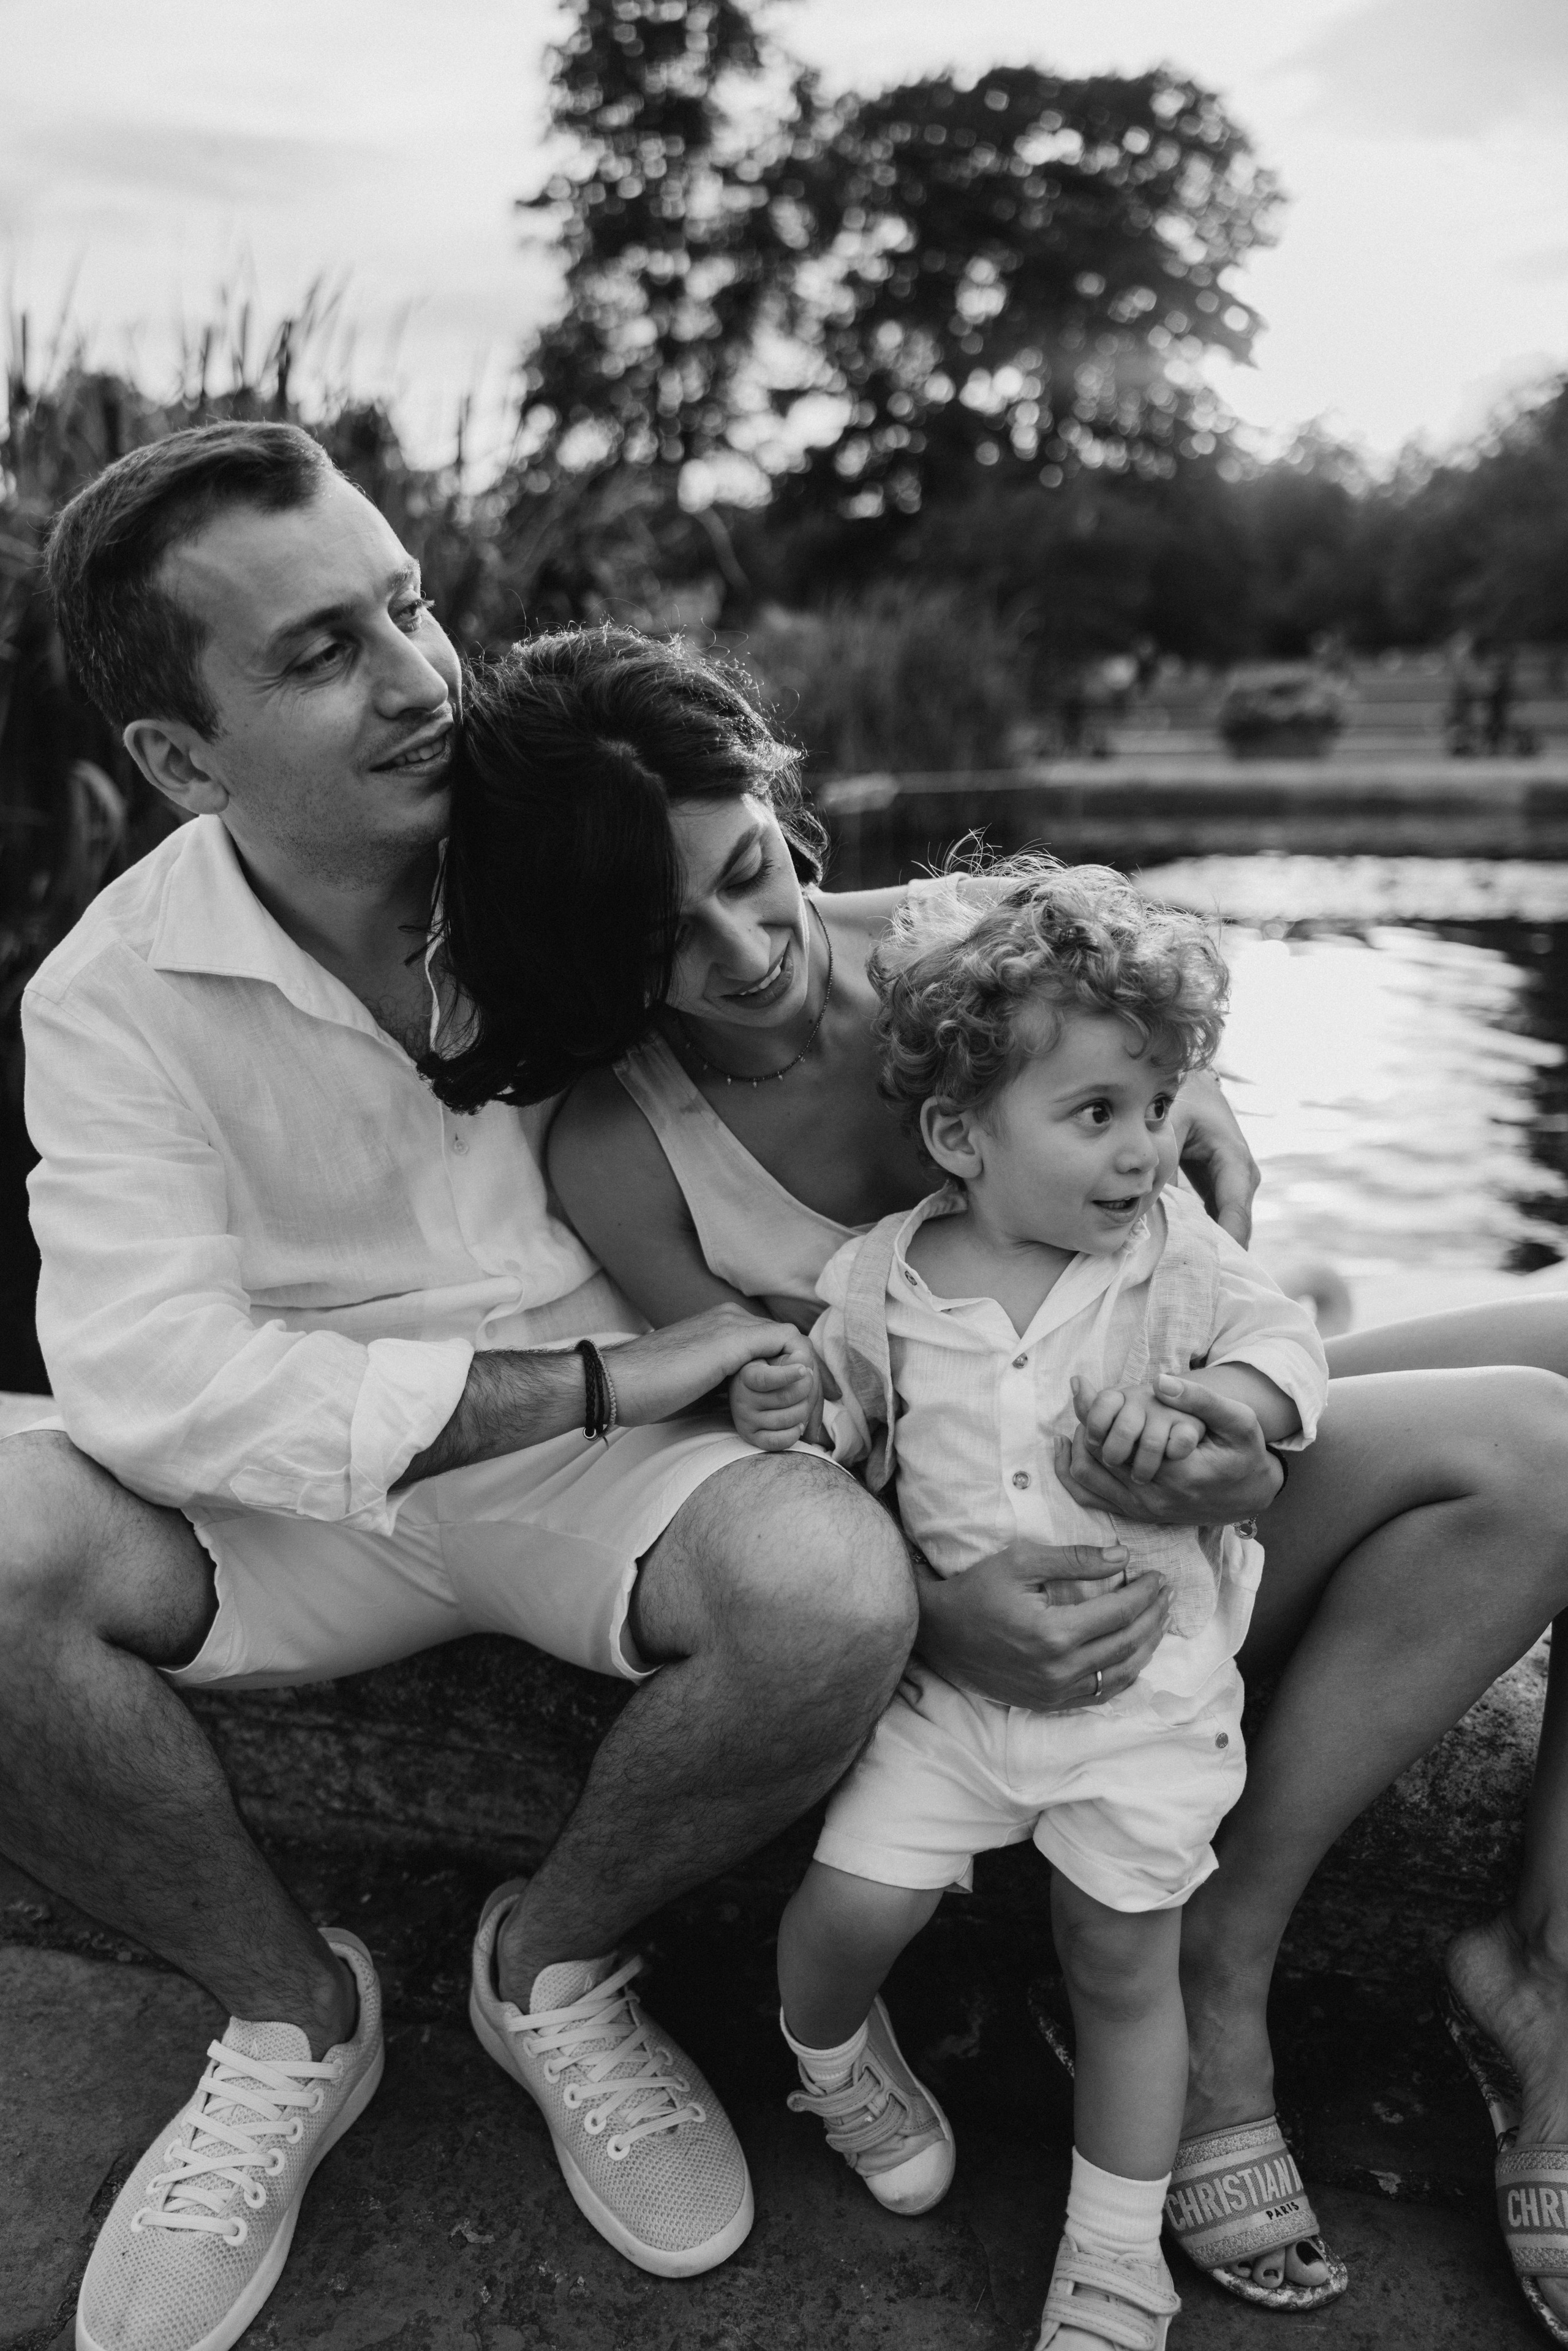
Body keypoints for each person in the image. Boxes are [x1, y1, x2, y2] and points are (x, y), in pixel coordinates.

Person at [435, 626, 1568, 2333]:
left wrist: (1224, 1435)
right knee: (1542, 1458)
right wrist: (933, 1612)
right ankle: (1227, 1978)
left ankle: (1483, 1962)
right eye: (664, 936)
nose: (745, 953)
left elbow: (1210, 1231)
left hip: (1172, 1461)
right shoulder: (622, 1142)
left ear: (776, 798)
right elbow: (783, 1434)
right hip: (980, 1550)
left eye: (747, 869)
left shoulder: (997, 942)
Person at [0, 419, 952, 2351]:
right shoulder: (109, 997)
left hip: (618, 1471)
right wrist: (602, 1369)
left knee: (834, 1596)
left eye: (408, 604)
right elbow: (148, 1378)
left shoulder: (557, 838)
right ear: (180, 760)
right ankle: (293, 2015)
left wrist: (1117, 1028)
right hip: (297, 1499)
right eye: (320, 651)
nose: (417, 674)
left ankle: (554, 1965)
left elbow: (811, 928)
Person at [750, 867, 1330, 2351]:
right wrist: (794, 1410)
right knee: (844, 1911)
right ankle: (834, 2062)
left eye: (1155, 1104)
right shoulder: (880, 1278)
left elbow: (1282, 1343)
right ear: (963, 1136)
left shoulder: (1171, 1256)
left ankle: (1113, 2257)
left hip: (1144, 1697)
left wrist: (1229, 1401)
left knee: (1122, 1962)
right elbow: (846, 1436)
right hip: (949, 1704)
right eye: (1095, 1113)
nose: (1144, 1145)